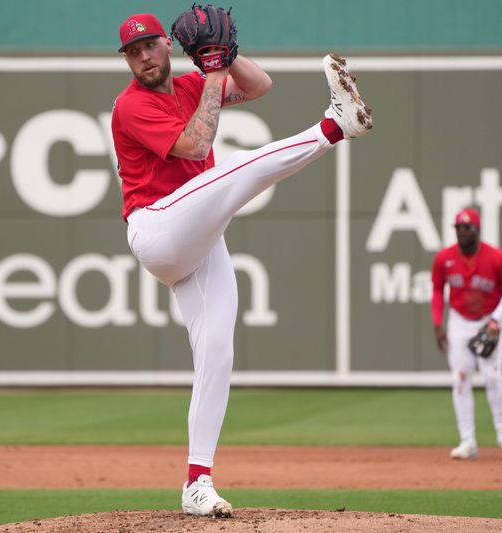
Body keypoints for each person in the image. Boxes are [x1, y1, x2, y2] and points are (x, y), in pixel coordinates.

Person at [111, 8, 372, 517]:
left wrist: (223, 54)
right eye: (132, 51)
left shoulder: (190, 84)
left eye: (149, 45)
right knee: (230, 166)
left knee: (217, 351)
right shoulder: (130, 106)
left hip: (199, 240)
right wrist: (211, 72)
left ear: (167, 45)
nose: (143, 56)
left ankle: (197, 481)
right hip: (158, 229)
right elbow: (197, 145)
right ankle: (333, 126)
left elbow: (259, 85)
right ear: (127, 60)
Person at [431, 208, 502, 461]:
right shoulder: (444, 258)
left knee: (493, 378)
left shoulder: (496, 258)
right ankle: (467, 440)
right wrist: (438, 324)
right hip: (459, 322)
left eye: (467, 227)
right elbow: (438, 290)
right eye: (459, 227)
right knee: (460, 380)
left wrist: (497, 318)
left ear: (477, 230)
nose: (462, 231)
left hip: (487, 322)